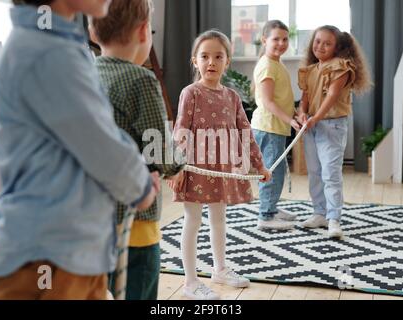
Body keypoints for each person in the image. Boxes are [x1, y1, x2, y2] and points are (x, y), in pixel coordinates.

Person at [0, 0, 159, 300]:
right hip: (53, 256)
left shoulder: (49, 43)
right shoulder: (49, 51)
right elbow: (99, 142)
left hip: (68, 253)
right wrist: (140, 186)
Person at [90, 0, 185, 300]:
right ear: (144, 31)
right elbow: (159, 152)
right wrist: (178, 161)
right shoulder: (141, 80)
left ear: (93, 30)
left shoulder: (84, 73)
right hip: (132, 220)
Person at [169, 30, 271, 300]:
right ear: (195, 61)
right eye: (204, 56)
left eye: (218, 56)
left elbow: (244, 132)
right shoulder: (190, 93)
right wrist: (176, 167)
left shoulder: (232, 97)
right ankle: (190, 282)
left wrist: (259, 166)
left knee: (219, 218)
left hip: (222, 168)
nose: (211, 62)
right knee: (193, 220)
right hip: (194, 168)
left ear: (227, 62)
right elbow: (181, 130)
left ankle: (220, 269)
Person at [298, 25, 372, 238]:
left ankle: (334, 218)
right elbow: (305, 98)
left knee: (330, 173)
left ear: (337, 47)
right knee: (314, 172)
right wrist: (303, 114)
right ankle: (319, 212)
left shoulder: (341, 66)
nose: (320, 46)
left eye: (327, 43)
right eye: (317, 41)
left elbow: (331, 96)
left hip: (331, 126)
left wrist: (316, 118)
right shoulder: (310, 70)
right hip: (312, 126)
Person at [251, 20, 301, 231]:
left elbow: (281, 98)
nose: (281, 43)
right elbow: (269, 102)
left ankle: (270, 208)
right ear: (264, 40)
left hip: (275, 126)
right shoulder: (267, 66)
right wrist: (290, 120)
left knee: (276, 170)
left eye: (284, 39)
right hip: (269, 127)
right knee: (271, 171)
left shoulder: (276, 63)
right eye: (275, 39)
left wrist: (294, 113)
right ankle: (265, 216)